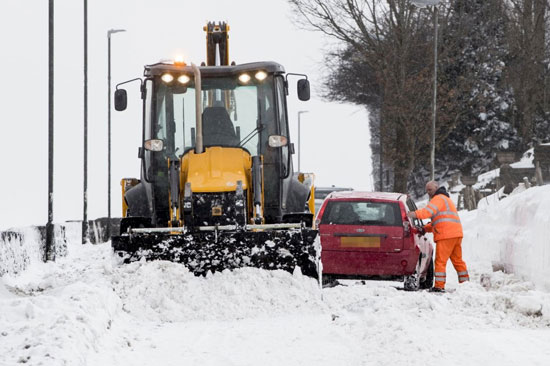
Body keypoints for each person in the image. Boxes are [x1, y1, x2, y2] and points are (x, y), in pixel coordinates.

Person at [407, 180, 469, 293]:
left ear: (436, 187)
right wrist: (425, 228)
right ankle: (466, 284)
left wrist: (412, 214)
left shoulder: (438, 199)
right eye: (427, 191)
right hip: (456, 234)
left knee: (440, 261)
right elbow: (439, 222)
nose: (428, 193)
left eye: (430, 190)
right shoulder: (446, 199)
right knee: (458, 260)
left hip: (446, 235)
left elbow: (427, 212)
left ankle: (439, 286)